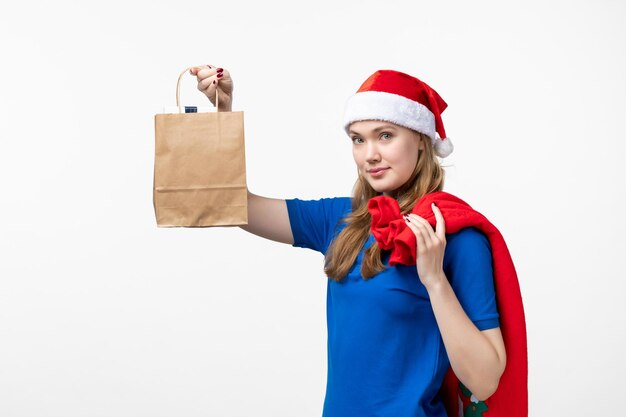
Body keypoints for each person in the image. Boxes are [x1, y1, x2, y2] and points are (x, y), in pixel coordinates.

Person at [190, 66, 527, 417]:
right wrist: (222, 115)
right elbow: (235, 206)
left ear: (421, 141)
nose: (370, 155)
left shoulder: (454, 236)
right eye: (358, 139)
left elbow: (486, 381)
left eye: (385, 135)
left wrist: (435, 281)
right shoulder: (341, 221)